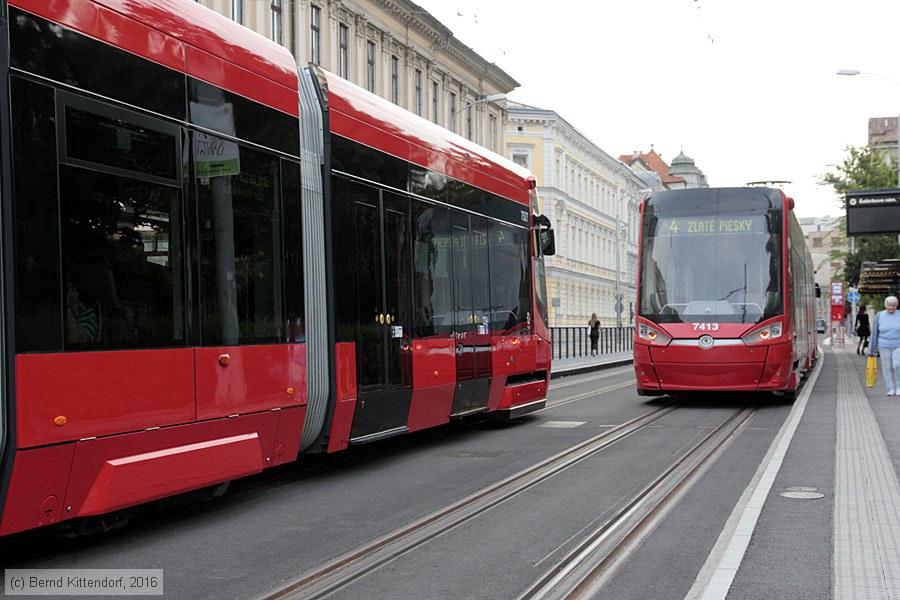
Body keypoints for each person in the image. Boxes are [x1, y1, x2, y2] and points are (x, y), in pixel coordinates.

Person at [869, 295, 900, 396]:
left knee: (897, 365)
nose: (891, 307)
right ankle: (890, 388)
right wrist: (871, 350)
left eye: (894, 305)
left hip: (898, 344)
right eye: (889, 305)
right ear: (885, 305)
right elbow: (874, 333)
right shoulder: (879, 316)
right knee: (886, 367)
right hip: (883, 345)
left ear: (897, 306)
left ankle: (899, 387)